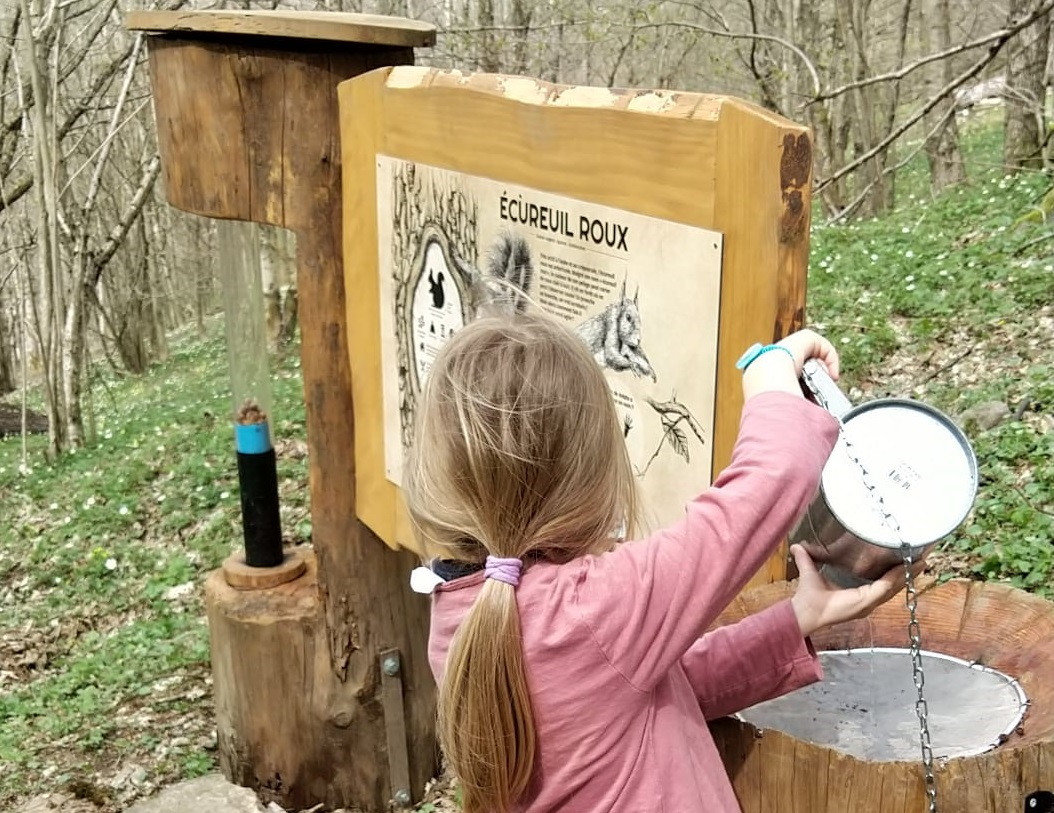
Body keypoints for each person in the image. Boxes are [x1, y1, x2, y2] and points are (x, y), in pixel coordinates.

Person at [405, 310, 913, 813]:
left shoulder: (462, 611)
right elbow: (766, 482)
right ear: (592, 473)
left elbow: (656, 686)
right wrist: (771, 376)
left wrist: (798, 618)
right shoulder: (596, 608)